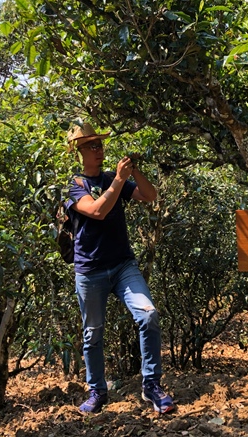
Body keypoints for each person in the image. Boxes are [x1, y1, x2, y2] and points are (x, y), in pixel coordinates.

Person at [65, 122, 175, 415]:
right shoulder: (73, 186)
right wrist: (118, 180)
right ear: (78, 152)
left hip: (122, 265)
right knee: (92, 334)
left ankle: (151, 385)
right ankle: (97, 392)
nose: (98, 150)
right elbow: (96, 210)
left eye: (99, 144)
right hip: (90, 271)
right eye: (91, 146)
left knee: (148, 315)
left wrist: (133, 172)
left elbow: (149, 196)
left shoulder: (111, 178)